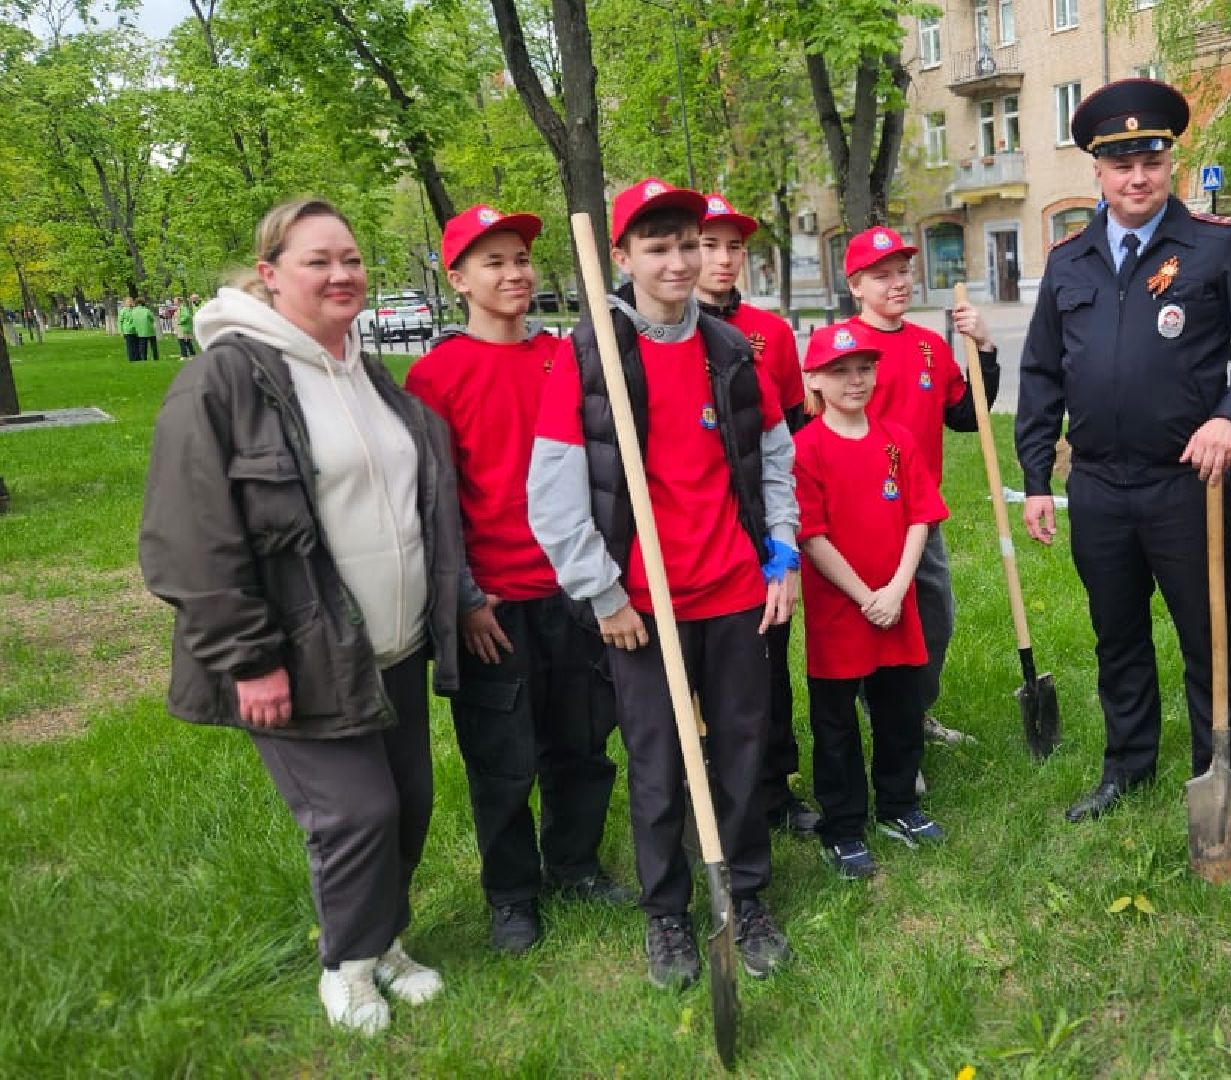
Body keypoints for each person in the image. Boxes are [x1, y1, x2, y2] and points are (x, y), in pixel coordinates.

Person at [137, 198, 466, 1034]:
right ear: (270, 273)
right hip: (298, 648)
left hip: (391, 644)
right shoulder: (225, 380)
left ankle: (382, 940)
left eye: (350, 258)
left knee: (408, 802)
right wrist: (249, 659)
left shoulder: (365, 372)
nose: (341, 274)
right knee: (356, 813)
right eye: (318, 260)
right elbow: (187, 536)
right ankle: (345, 969)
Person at [528, 178, 796, 990]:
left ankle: (745, 895)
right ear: (622, 256)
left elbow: (774, 457)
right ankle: (667, 913)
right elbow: (553, 491)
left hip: (735, 590)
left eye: (688, 244)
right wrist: (603, 593)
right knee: (657, 759)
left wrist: (782, 553)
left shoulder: (729, 349)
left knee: (744, 751)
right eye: (657, 247)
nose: (678, 261)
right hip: (644, 607)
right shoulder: (591, 355)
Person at [1015, 78, 1231, 822]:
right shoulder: (1069, 261)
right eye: (1121, 165)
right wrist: (1036, 477)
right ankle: (1127, 765)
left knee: (1208, 635)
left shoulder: (1215, 244)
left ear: (1171, 163)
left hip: (1186, 485)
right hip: (1099, 487)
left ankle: (1220, 769)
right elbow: (1041, 373)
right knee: (1118, 637)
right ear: (1098, 172)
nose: (1137, 178)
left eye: (1152, 162)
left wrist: (1230, 419)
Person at [404, 204, 631, 955]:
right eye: (494, 262)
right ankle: (511, 894)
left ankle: (574, 865)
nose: (515, 274)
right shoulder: (435, 377)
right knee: (502, 759)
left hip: (576, 592)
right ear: (458, 278)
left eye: (523, 259)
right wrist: (464, 598)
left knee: (582, 743)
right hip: (494, 605)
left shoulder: (567, 359)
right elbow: (430, 501)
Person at [793, 320, 951, 878]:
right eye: (839, 371)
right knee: (835, 723)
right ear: (814, 379)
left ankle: (898, 805)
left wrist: (898, 588)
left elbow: (920, 517)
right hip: (842, 610)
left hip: (895, 603)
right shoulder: (806, 448)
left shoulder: (896, 440)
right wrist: (865, 596)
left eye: (864, 369)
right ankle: (842, 825)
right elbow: (812, 536)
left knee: (900, 711)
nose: (855, 380)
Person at [694, 191, 820, 837]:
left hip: (759, 521)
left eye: (734, 247)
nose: (722, 259)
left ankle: (774, 786)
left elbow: (792, 432)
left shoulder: (769, 332)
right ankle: (706, 787)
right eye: (708, 245)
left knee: (768, 659)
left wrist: (785, 531)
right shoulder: (661, 333)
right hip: (693, 523)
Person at [844, 224, 999, 748]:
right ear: (855, 286)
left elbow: (968, 417)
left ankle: (914, 713)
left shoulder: (929, 346)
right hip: (863, 516)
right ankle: (890, 728)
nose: (898, 283)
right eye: (881, 276)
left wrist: (984, 347)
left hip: (920, 514)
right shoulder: (844, 350)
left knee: (936, 620)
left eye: (903, 271)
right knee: (879, 625)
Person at [130, 296, 160, 362]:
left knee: (142, 346)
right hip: (149, 330)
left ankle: (143, 358)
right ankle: (155, 358)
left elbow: (131, 320)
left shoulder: (133, 311)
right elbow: (152, 319)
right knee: (153, 345)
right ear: (143, 303)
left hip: (139, 331)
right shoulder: (147, 310)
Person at [117, 297, 142, 362]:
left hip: (136, 330)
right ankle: (132, 359)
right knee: (130, 346)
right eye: (128, 302)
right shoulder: (123, 311)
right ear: (125, 303)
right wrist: (121, 331)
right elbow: (120, 322)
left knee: (137, 345)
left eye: (130, 301)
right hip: (127, 331)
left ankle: (138, 358)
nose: (129, 303)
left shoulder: (135, 310)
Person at [176, 294, 200, 359]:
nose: (175, 302)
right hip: (184, 327)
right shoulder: (181, 308)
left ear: (179, 302)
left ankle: (184, 355)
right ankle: (192, 354)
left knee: (182, 341)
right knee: (187, 341)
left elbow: (187, 316)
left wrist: (180, 321)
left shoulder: (182, 308)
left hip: (183, 327)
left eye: (175, 301)